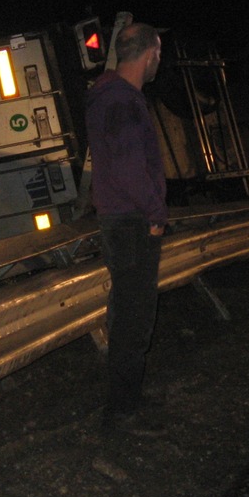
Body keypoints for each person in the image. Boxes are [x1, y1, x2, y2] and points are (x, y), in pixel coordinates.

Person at [84, 21, 168, 425]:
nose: (159, 61)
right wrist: (155, 214)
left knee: (128, 312)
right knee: (135, 316)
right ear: (149, 53)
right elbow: (129, 167)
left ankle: (126, 401)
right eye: (159, 53)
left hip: (123, 221)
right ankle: (123, 411)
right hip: (132, 224)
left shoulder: (110, 96)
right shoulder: (121, 100)